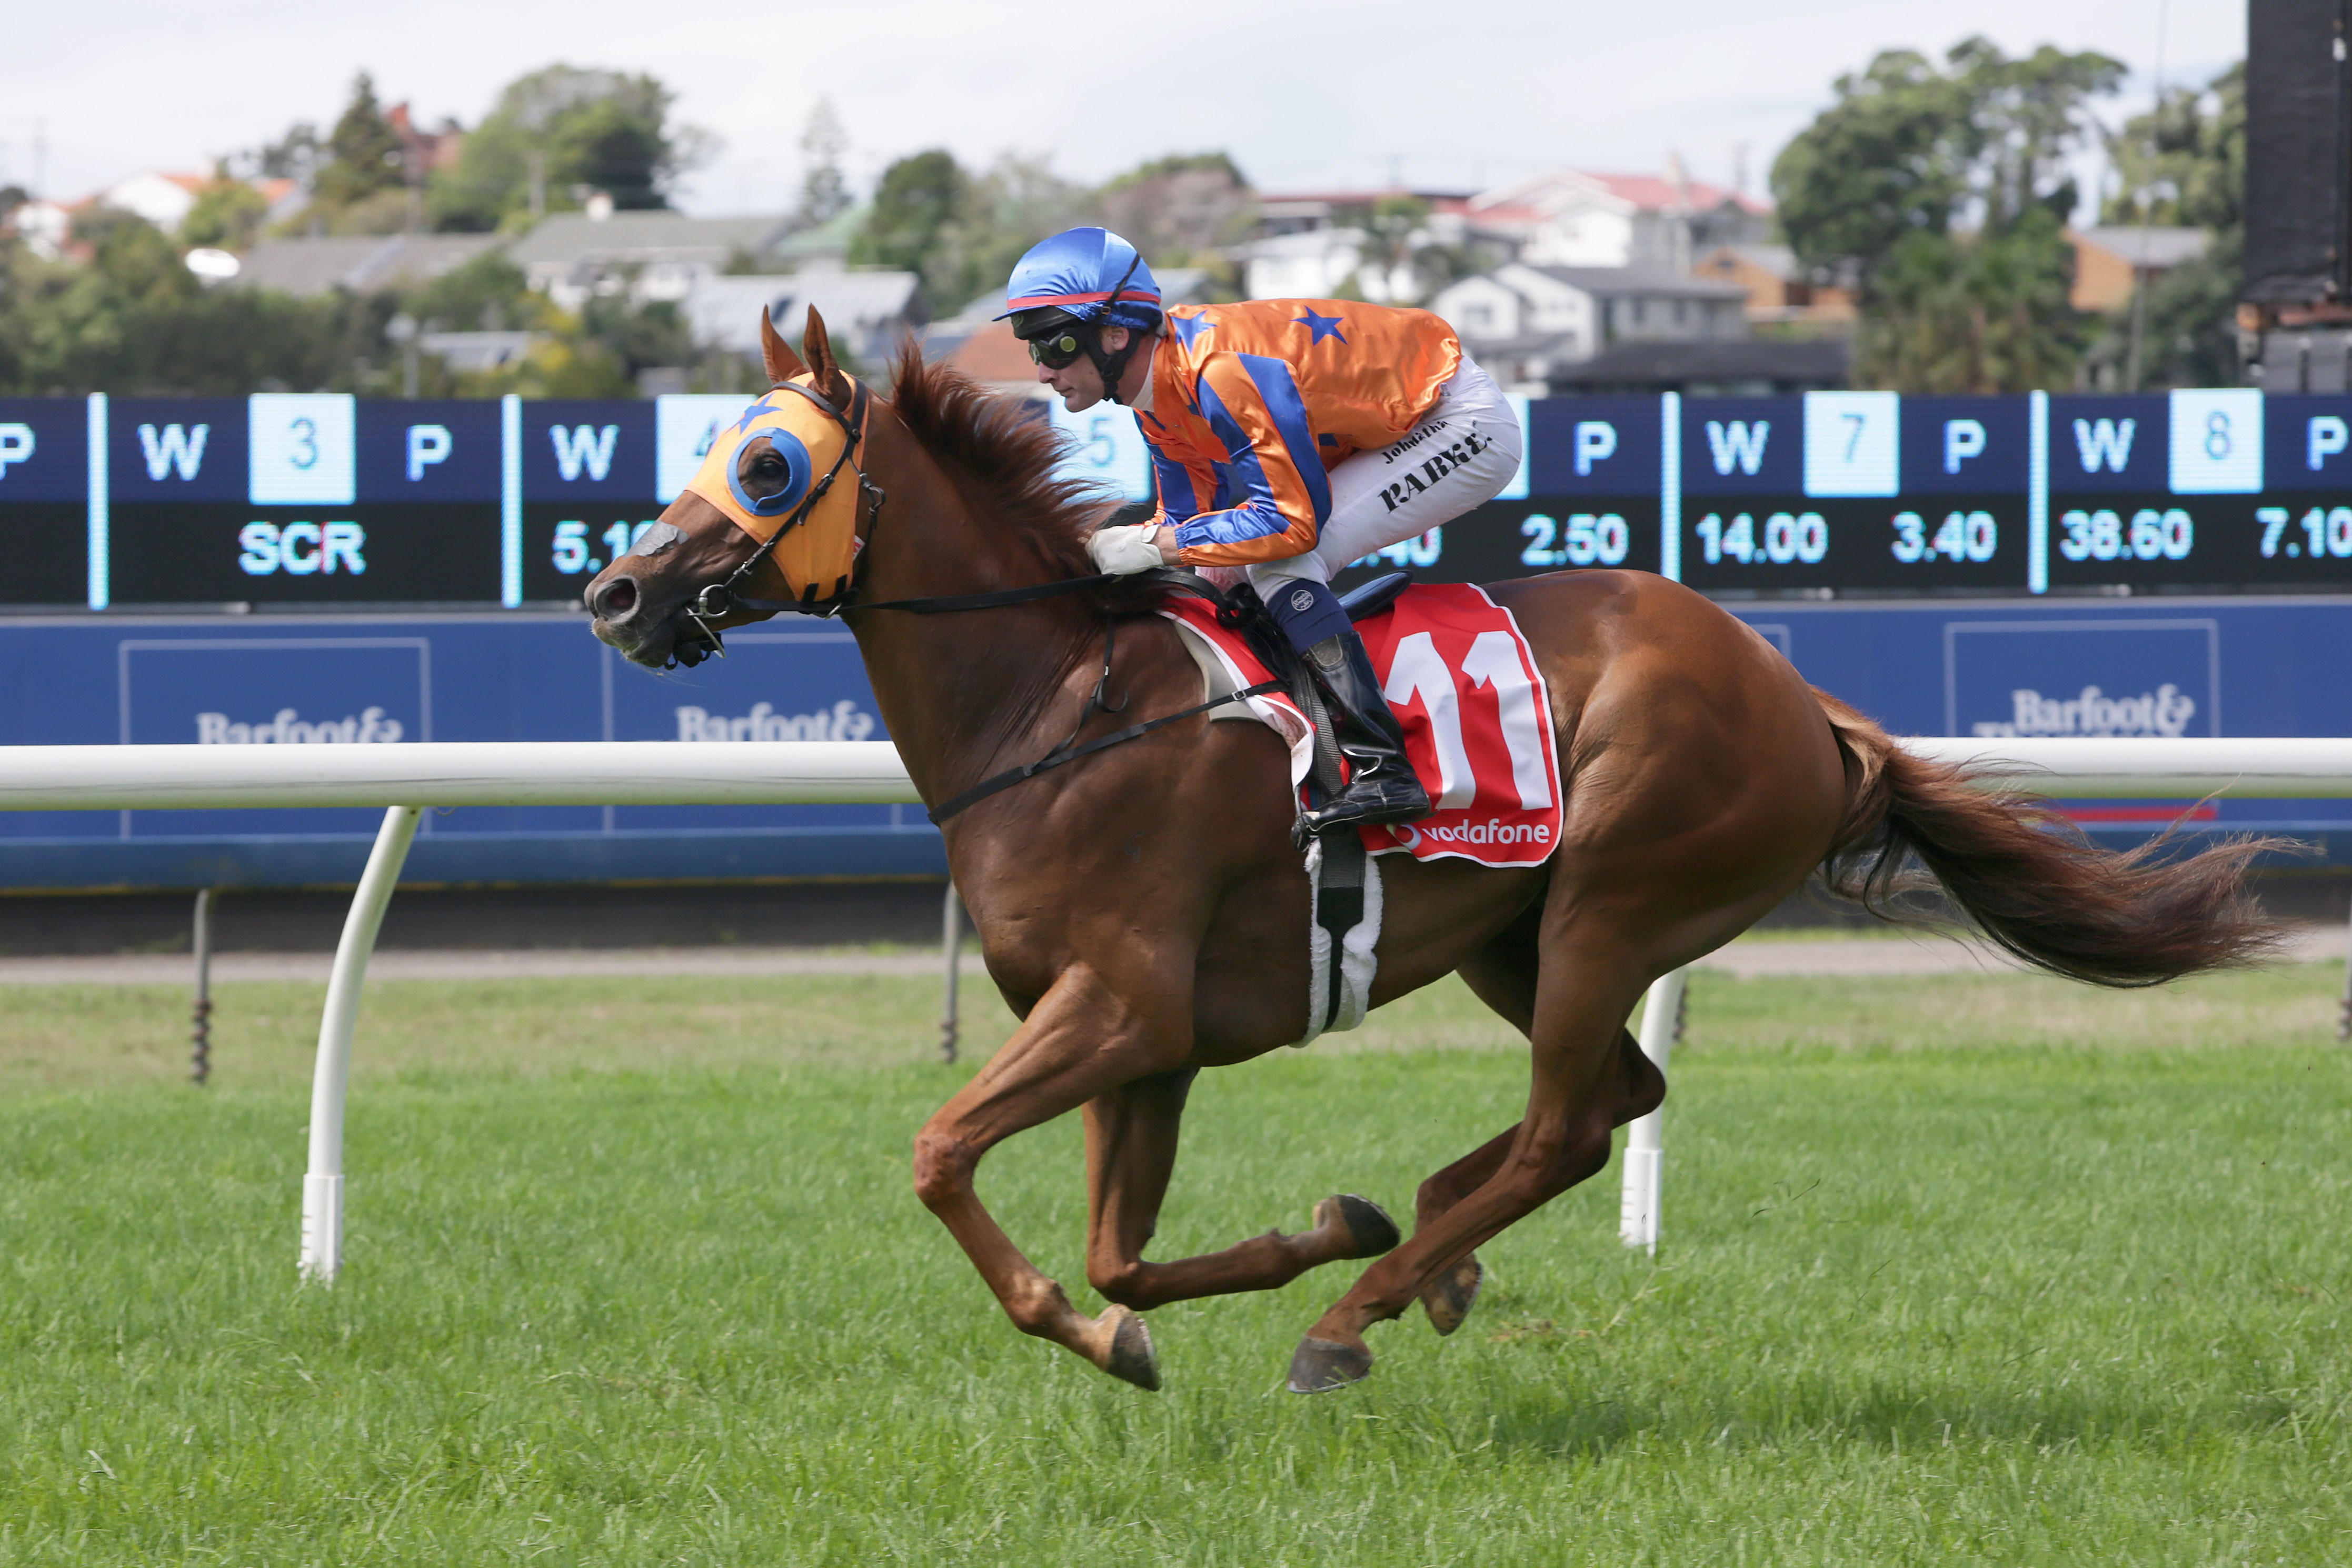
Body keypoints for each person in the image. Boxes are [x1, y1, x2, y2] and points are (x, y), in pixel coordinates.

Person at [1000, 226, 1523, 836]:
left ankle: (1384, 766)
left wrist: (1150, 546)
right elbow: (1188, 531)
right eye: (1031, 348)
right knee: (1223, 569)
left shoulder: (1220, 373)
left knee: (1283, 563)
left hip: (1457, 422)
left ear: (1115, 334)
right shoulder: (1152, 398)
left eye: (1056, 345)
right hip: (1390, 424)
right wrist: (1141, 550)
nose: (1042, 371)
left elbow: (1291, 525)